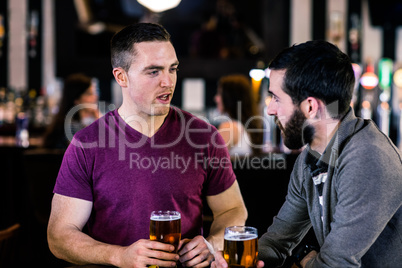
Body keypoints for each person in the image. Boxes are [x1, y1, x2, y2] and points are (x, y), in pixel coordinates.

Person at [47, 22, 247, 267]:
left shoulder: (204, 136)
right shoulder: (87, 143)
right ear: (121, 76)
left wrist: (211, 243)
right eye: (153, 72)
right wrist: (119, 256)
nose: (167, 82)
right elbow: (59, 237)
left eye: (172, 69)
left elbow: (233, 210)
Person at [212, 40, 402, 268]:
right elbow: (277, 242)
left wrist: (305, 257)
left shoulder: (367, 158)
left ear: (310, 107)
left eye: (277, 98)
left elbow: (333, 265)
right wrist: (242, 260)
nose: (270, 109)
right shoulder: (309, 158)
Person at [42, 73, 99, 148]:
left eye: (94, 93)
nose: (95, 97)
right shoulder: (72, 126)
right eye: (89, 94)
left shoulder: (69, 122)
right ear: (76, 99)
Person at [214, 74, 263, 156]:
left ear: (230, 98)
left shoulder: (229, 127)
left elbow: (208, 162)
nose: (216, 98)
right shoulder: (244, 127)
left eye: (219, 93)